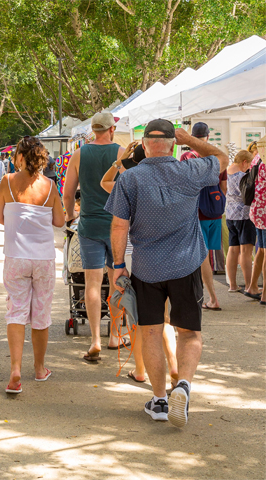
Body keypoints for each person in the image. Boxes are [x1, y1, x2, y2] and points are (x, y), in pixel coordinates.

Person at [106, 120, 229, 427]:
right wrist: (192, 140)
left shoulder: (130, 178)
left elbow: (119, 225)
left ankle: (159, 400)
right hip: (186, 265)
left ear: (145, 145)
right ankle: (183, 385)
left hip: (147, 267)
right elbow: (222, 159)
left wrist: (119, 266)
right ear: (174, 144)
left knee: (149, 331)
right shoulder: (190, 171)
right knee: (189, 334)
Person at [100, 142, 178, 386]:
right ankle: (174, 365)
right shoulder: (171, 185)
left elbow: (104, 183)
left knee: (139, 319)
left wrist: (120, 161)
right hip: (165, 256)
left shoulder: (127, 183)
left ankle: (141, 370)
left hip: (134, 256)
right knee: (164, 317)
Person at [0, 136, 64, 394]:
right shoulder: (50, 185)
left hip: (16, 257)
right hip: (44, 258)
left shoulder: (8, 182)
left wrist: (17, 221)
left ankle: (15, 369)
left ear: (19, 157)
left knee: (16, 311)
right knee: (41, 313)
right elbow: (59, 220)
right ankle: (39, 368)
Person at [62, 113, 127, 360]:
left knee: (92, 283)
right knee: (116, 281)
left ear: (92, 130)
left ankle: (95, 339)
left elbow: (68, 194)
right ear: (112, 128)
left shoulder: (79, 154)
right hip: (117, 227)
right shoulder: (122, 152)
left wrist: (70, 216)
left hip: (88, 225)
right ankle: (114, 336)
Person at [180, 122, 227, 311]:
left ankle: (207, 298)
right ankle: (211, 298)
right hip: (214, 213)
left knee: (198, 258)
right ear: (207, 137)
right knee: (207, 256)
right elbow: (224, 188)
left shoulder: (186, 157)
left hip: (195, 213)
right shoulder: (217, 157)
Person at [225, 150, 257, 293]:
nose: (249, 167)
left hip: (230, 215)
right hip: (244, 215)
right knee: (246, 250)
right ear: (244, 162)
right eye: (249, 164)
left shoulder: (227, 172)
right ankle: (250, 285)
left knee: (233, 249)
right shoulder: (243, 176)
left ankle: (232, 285)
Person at [248, 136, 266, 306]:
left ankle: (253, 286)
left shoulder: (256, 159)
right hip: (265, 211)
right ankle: (265, 294)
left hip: (257, 210)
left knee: (260, 249)